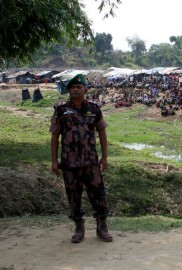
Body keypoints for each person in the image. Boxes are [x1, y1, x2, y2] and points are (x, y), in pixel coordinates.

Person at [50, 74, 113, 243]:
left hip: (91, 162)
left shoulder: (94, 108)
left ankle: (102, 227)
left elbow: (102, 132)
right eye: (72, 87)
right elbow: (55, 136)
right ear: (69, 90)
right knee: (73, 196)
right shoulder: (61, 110)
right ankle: (79, 227)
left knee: (98, 194)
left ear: (85, 89)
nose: (75, 89)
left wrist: (104, 157)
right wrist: (54, 161)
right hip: (69, 163)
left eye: (79, 87)